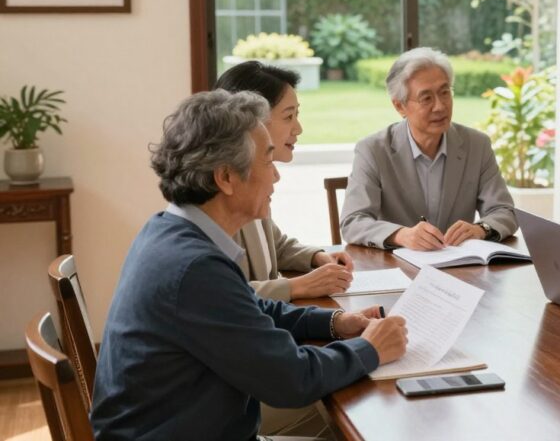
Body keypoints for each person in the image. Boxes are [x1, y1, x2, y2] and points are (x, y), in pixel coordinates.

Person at [90, 90, 408, 440]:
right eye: (268, 161)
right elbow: (292, 380)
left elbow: (251, 308)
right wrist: (371, 349)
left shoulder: (169, 231)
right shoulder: (195, 267)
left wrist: (337, 323)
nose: (277, 178)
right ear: (225, 178)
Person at [341, 48, 517, 250]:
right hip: (398, 269)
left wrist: (482, 228)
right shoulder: (373, 150)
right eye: (426, 98)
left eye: (445, 93)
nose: (440, 106)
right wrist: (401, 235)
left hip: (461, 270)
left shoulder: (477, 145)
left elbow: (505, 210)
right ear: (399, 106)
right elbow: (353, 221)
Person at [214, 61, 355, 304]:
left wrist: (317, 257)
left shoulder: (253, 182)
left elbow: (275, 245)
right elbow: (222, 295)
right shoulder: (223, 196)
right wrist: (297, 285)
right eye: (289, 116)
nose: (298, 128)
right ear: (251, 120)